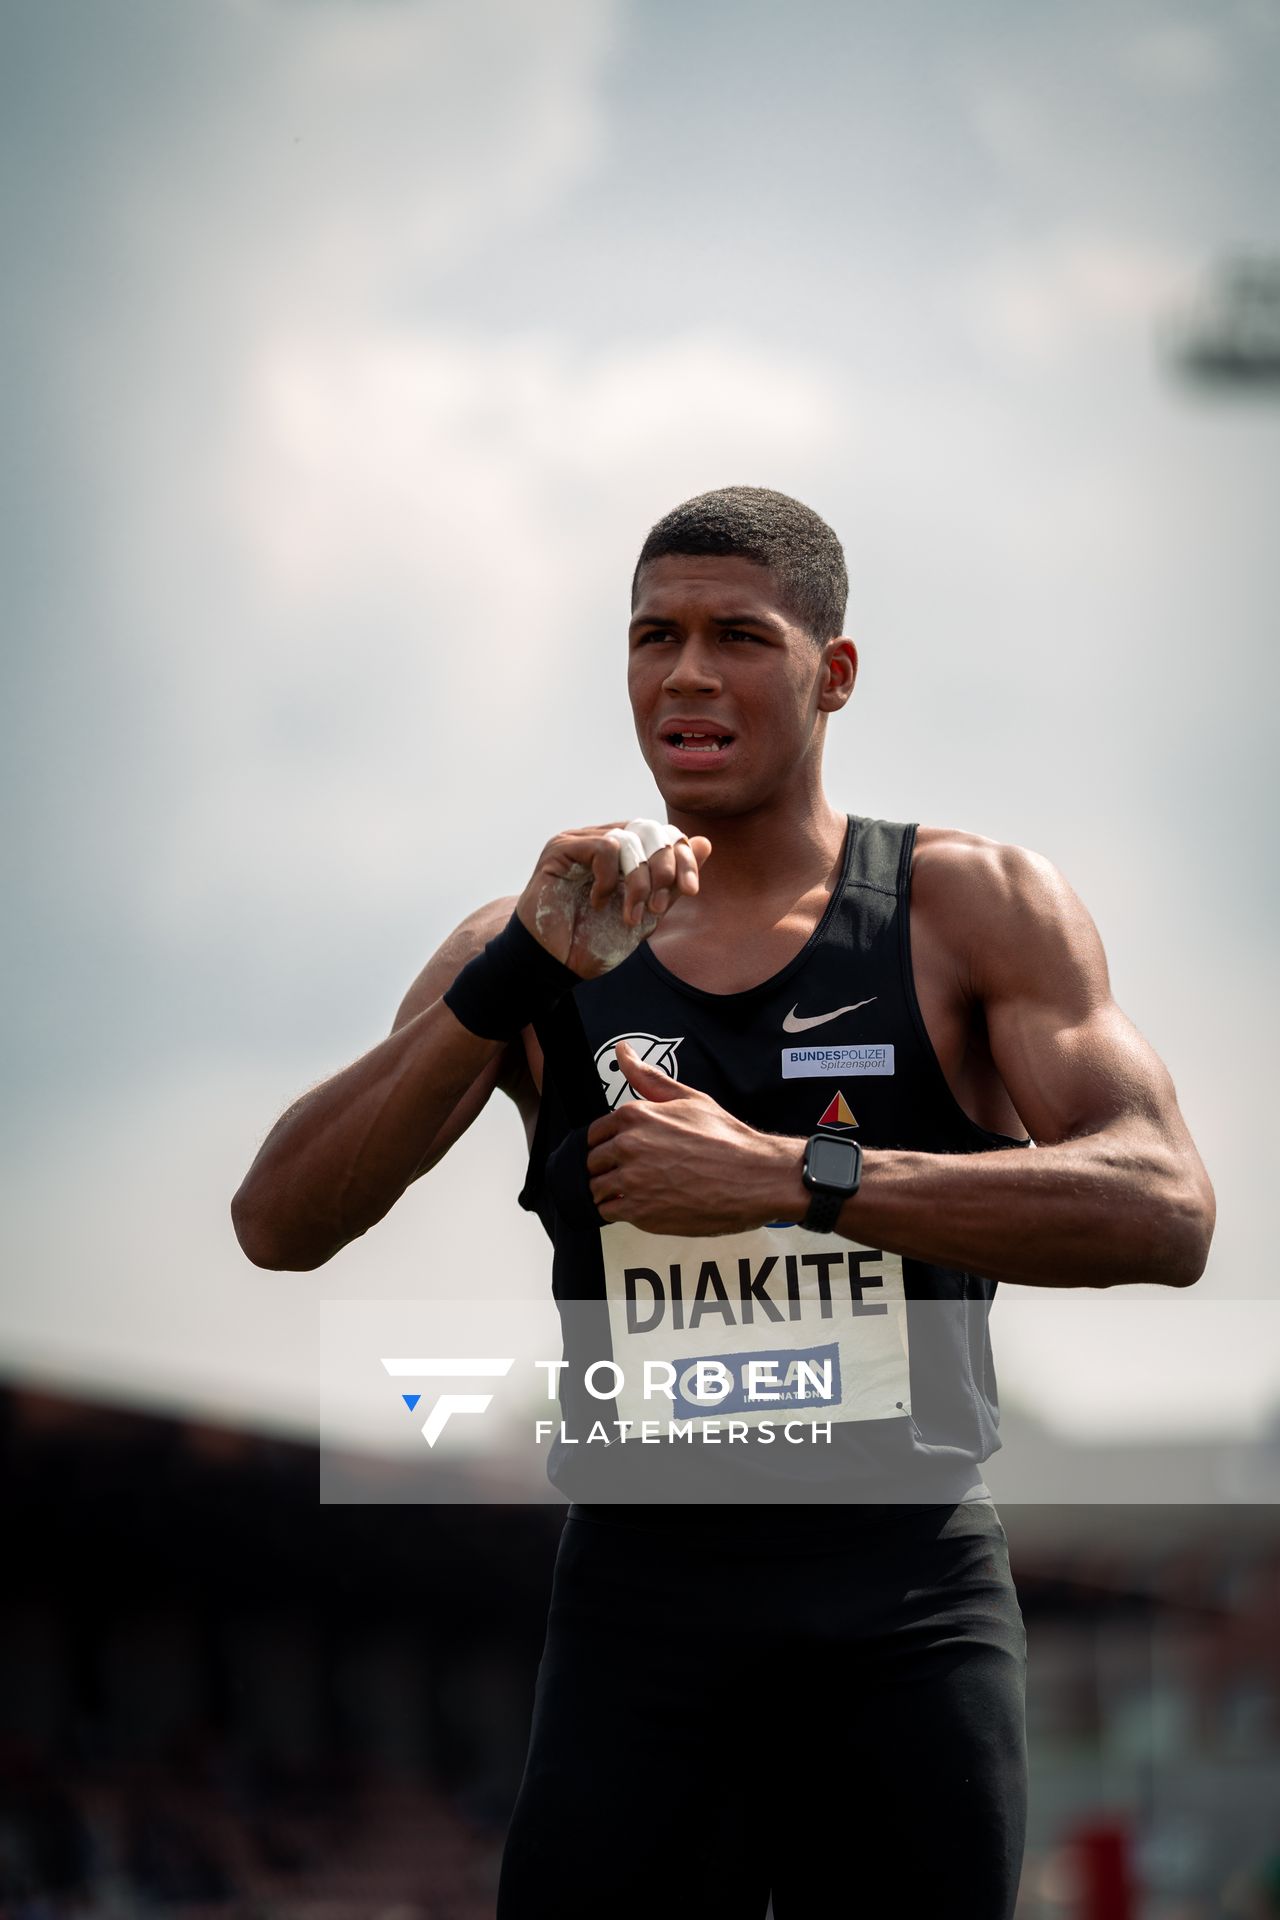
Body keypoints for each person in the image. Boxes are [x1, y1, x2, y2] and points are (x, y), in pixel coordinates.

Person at [232, 486, 1215, 1918]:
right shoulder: (528, 947)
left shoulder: (966, 907)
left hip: (904, 1595)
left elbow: (1166, 1207)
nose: (686, 673)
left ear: (835, 672)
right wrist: (511, 974)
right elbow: (279, 1221)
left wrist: (792, 1179)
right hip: (646, 1605)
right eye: (654, 637)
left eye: (737, 635)